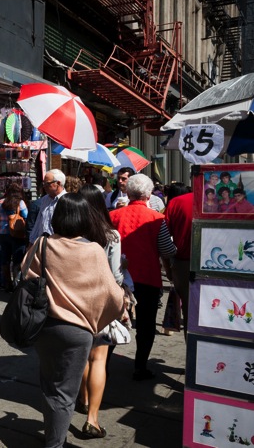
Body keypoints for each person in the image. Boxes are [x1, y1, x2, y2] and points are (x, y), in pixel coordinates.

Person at [25, 193, 124, 447]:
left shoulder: (42, 244)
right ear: (85, 218)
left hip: (43, 325)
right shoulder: (92, 250)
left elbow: (24, 276)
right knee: (65, 392)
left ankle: (52, 436)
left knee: (50, 384)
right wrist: (102, 316)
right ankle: (54, 443)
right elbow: (112, 294)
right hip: (78, 330)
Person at [110, 174, 176, 381]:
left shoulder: (113, 215)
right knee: (146, 325)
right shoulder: (157, 218)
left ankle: (102, 364)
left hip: (118, 277)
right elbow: (167, 249)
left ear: (128, 193)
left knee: (114, 320)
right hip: (147, 276)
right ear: (148, 194)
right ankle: (140, 366)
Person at [76, 185, 125, 439]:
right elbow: (116, 276)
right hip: (103, 303)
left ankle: (83, 398)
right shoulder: (111, 235)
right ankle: (92, 419)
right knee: (99, 359)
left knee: (84, 354)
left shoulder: (72, 235)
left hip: (76, 302)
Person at [163, 183, 192, 336]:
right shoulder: (229, 201)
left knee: (190, 312)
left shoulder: (176, 202)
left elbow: (163, 238)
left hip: (184, 265)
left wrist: (168, 268)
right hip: (225, 265)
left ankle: (193, 355)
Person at [0, 183, 28, 291]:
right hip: (17, 234)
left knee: (5, 259)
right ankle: (17, 284)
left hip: (3, 234)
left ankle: (7, 284)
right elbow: (27, 216)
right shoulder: (20, 203)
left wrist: (1, 219)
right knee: (18, 259)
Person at [29, 169, 66, 245]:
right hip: (42, 245)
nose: (44, 186)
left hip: (58, 246)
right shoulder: (45, 199)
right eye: (43, 183)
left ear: (58, 183)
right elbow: (39, 222)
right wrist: (31, 243)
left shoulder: (67, 200)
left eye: (47, 184)